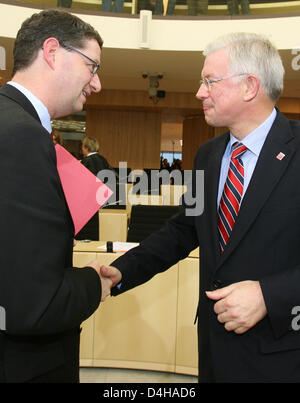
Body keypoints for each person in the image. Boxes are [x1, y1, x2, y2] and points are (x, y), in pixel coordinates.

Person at [100, 32, 300, 382]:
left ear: (249, 86)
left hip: (282, 353)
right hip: (213, 350)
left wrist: (271, 295)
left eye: (210, 81)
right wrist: (122, 271)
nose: (199, 92)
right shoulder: (209, 155)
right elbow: (184, 228)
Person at [0, 9, 112, 383]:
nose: (96, 83)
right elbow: (34, 304)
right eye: (91, 66)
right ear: (52, 52)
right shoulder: (23, 137)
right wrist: (96, 283)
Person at [76, 136, 111, 240]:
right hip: (104, 200)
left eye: (82, 147)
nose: (81, 149)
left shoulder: (86, 162)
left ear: (86, 147)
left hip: (88, 203)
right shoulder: (103, 160)